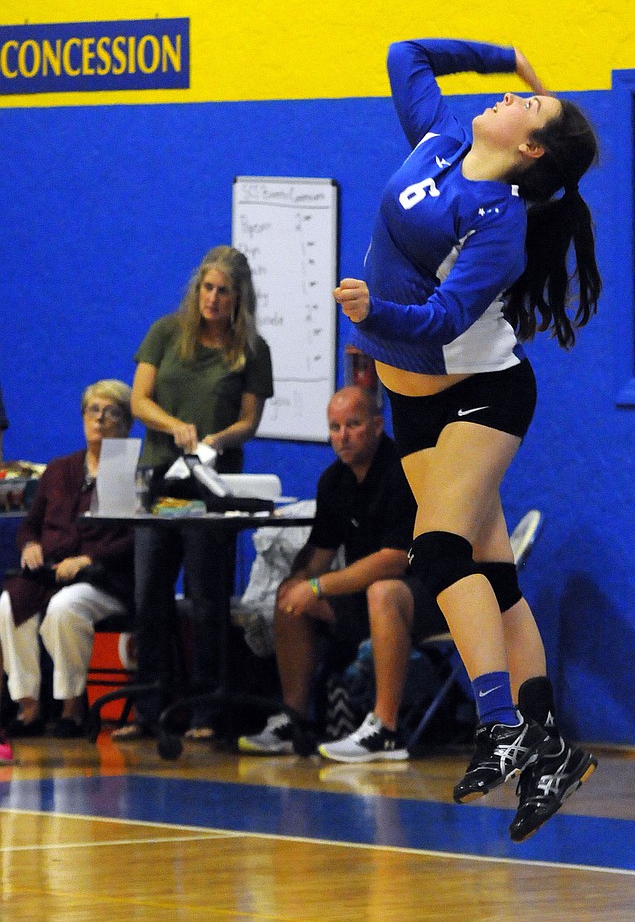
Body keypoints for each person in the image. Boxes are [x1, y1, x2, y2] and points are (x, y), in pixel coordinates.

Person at [333, 38, 602, 842]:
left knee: (439, 552)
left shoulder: (498, 223)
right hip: (412, 402)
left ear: (530, 150)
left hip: (481, 393)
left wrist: (370, 313)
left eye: (528, 108)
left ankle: (500, 724)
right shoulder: (440, 142)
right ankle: (549, 747)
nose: (512, 100)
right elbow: (403, 54)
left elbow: (446, 318)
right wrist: (505, 58)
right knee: (494, 575)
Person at [117, 245, 273, 741]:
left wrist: (217, 438)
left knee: (208, 597)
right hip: (159, 477)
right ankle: (149, 708)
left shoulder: (252, 349)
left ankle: (206, 710)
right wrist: (175, 426)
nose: (213, 298)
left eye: (223, 291)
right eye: (207, 288)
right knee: (150, 595)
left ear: (238, 297)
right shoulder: (167, 333)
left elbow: (249, 421)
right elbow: (139, 400)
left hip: (212, 483)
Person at [238, 384, 444, 761]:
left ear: (378, 425)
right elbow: (319, 552)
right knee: (291, 596)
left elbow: (394, 560)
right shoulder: (334, 481)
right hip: (366, 595)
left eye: (353, 425)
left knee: (382, 591)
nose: (343, 437)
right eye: (334, 427)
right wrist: (302, 581)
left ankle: (386, 730)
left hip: (429, 593)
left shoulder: (404, 472)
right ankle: (294, 720)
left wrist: (318, 585)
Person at [0, 380, 135, 739]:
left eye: (112, 413)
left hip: (103, 580)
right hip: (51, 572)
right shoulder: (60, 469)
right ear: (82, 417)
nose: (101, 420)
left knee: (65, 608)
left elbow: (131, 538)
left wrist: (88, 558)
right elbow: (30, 524)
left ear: (126, 425)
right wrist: (30, 544)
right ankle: (28, 706)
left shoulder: (124, 471)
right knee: (8, 602)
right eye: (94, 410)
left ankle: (72, 706)